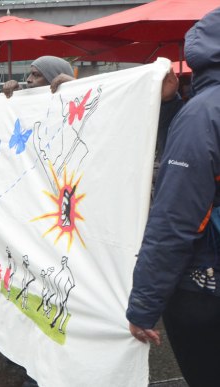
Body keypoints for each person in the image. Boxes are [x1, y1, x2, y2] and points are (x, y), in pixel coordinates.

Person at [126, 8, 220, 387]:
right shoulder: (200, 111)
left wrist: (144, 306)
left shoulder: (204, 114)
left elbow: (176, 218)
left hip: (204, 287)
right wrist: (170, 107)